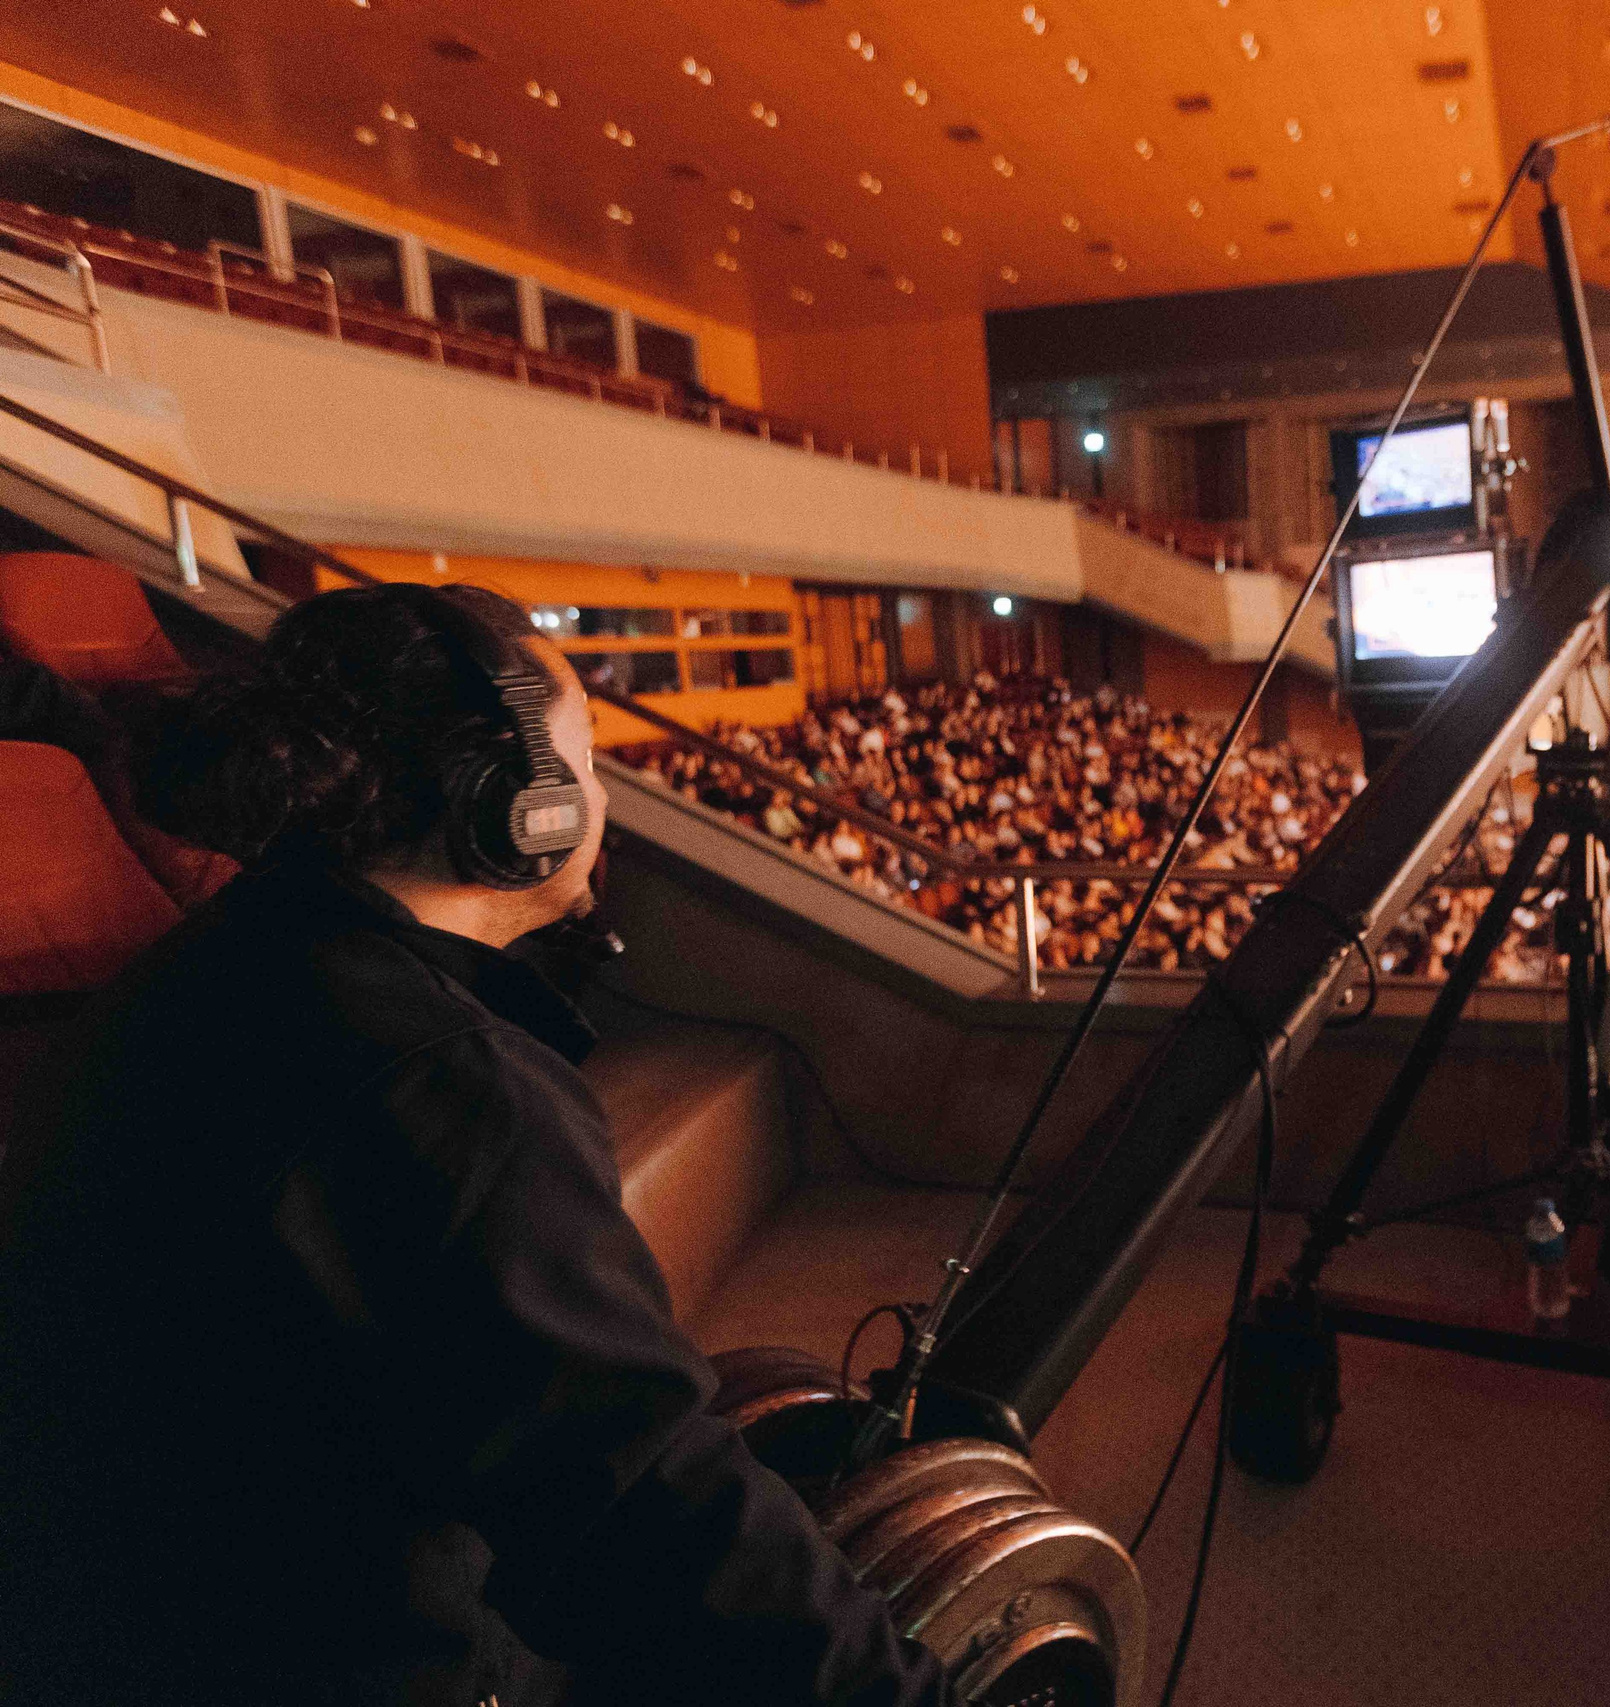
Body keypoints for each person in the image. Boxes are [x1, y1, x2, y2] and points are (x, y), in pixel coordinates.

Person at [0, 584, 948, 1707]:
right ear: (518, 807)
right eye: (585, 763)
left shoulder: (245, 962)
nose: (602, 798)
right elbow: (635, 1504)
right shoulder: (435, 1085)